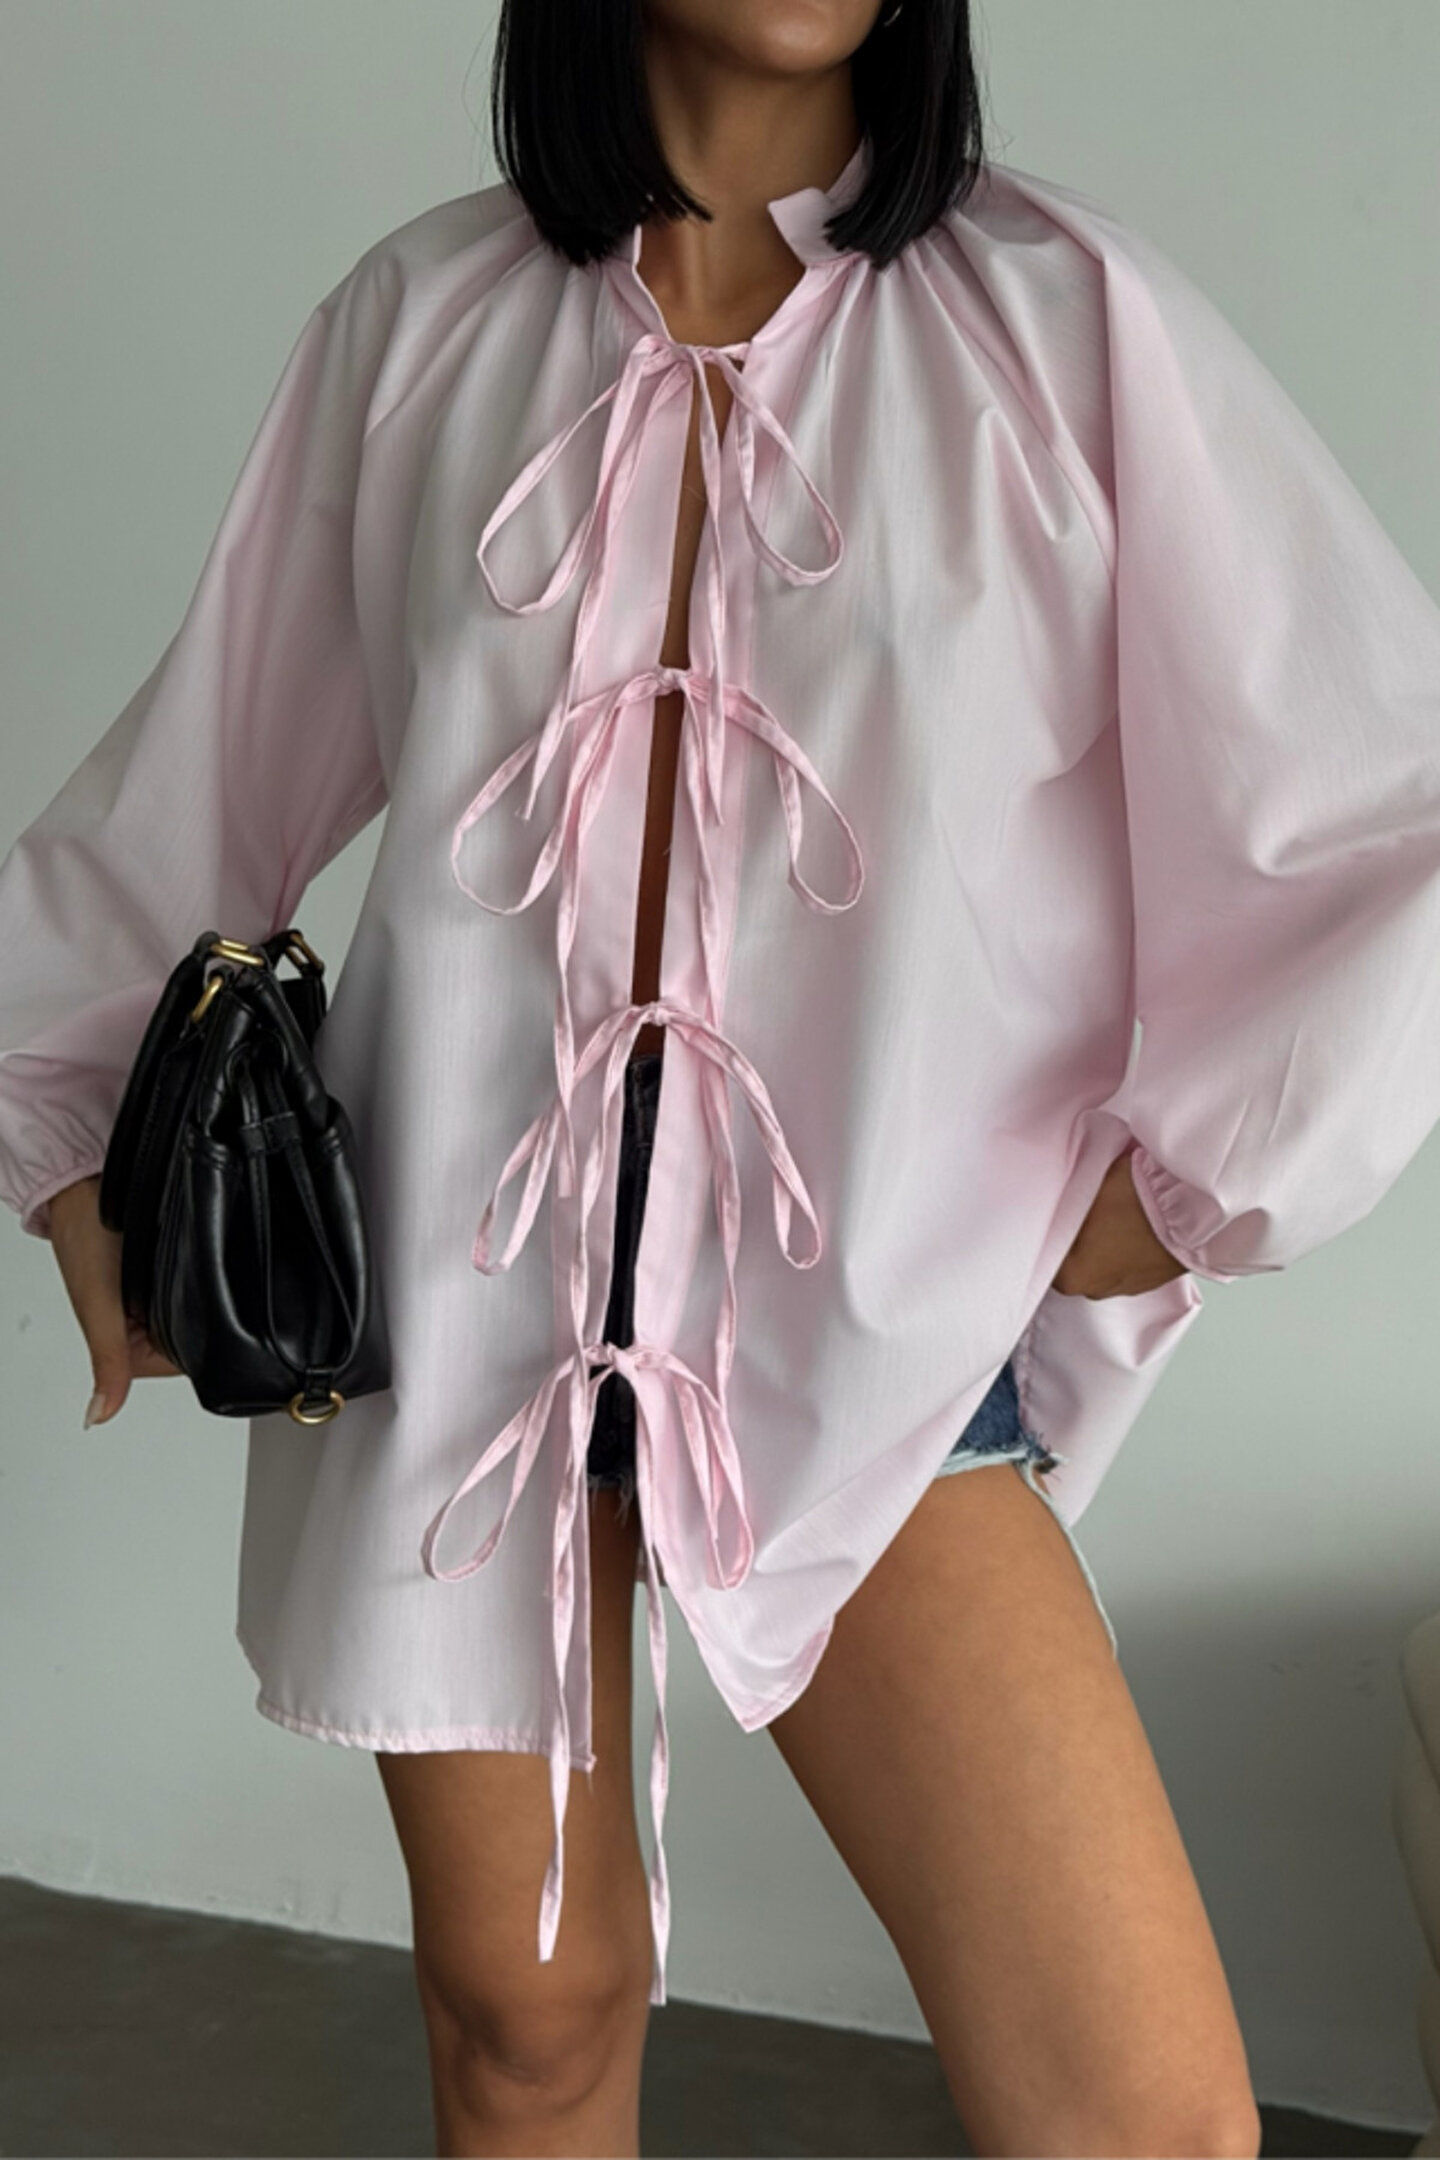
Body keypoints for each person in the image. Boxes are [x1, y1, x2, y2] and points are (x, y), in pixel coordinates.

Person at [8, 0, 1440, 2152]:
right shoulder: (420, 321)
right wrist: (69, 1140)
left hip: (875, 1318)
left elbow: (1380, 808)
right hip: (462, 1295)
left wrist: (1174, 1190)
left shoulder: (1069, 329)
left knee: (1141, 2121)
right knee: (524, 2022)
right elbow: (201, 773)